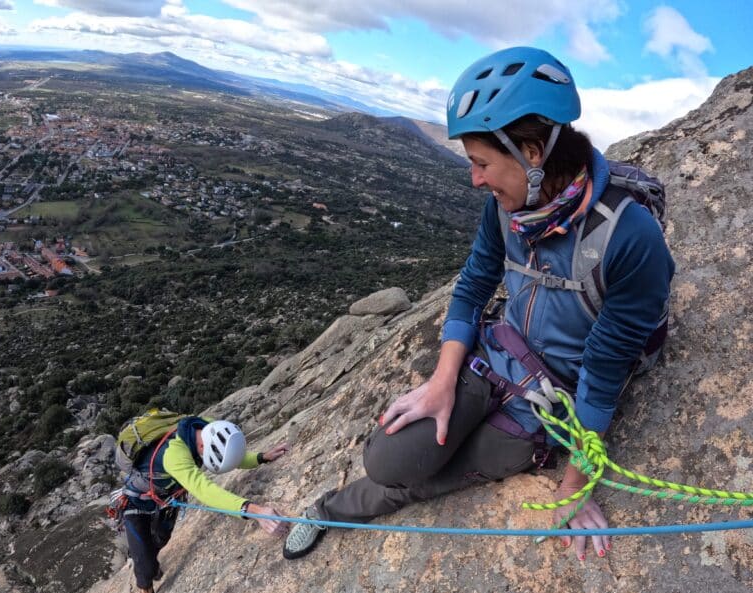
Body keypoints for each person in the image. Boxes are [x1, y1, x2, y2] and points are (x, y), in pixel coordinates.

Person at [282, 47, 674, 563]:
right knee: (388, 458)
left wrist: (574, 486)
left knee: (437, 474)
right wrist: (442, 384)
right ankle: (349, 497)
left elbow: (603, 378)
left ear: (532, 154)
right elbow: (472, 288)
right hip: (500, 354)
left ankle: (328, 510)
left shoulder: (628, 238)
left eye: (481, 162)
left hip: (555, 397)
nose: (475, 179)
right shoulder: (508, 208)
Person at [119, 416, 288, 593]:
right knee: (144, 561)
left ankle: (151, 557)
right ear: (201, 449)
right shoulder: (174, 455)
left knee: (161, 538)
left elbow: (228, 455)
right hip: (137, 502)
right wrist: (254, 510)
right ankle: (145, 583)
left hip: (167, 497)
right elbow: (205, 490)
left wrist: (261, 457)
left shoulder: (206, 427)